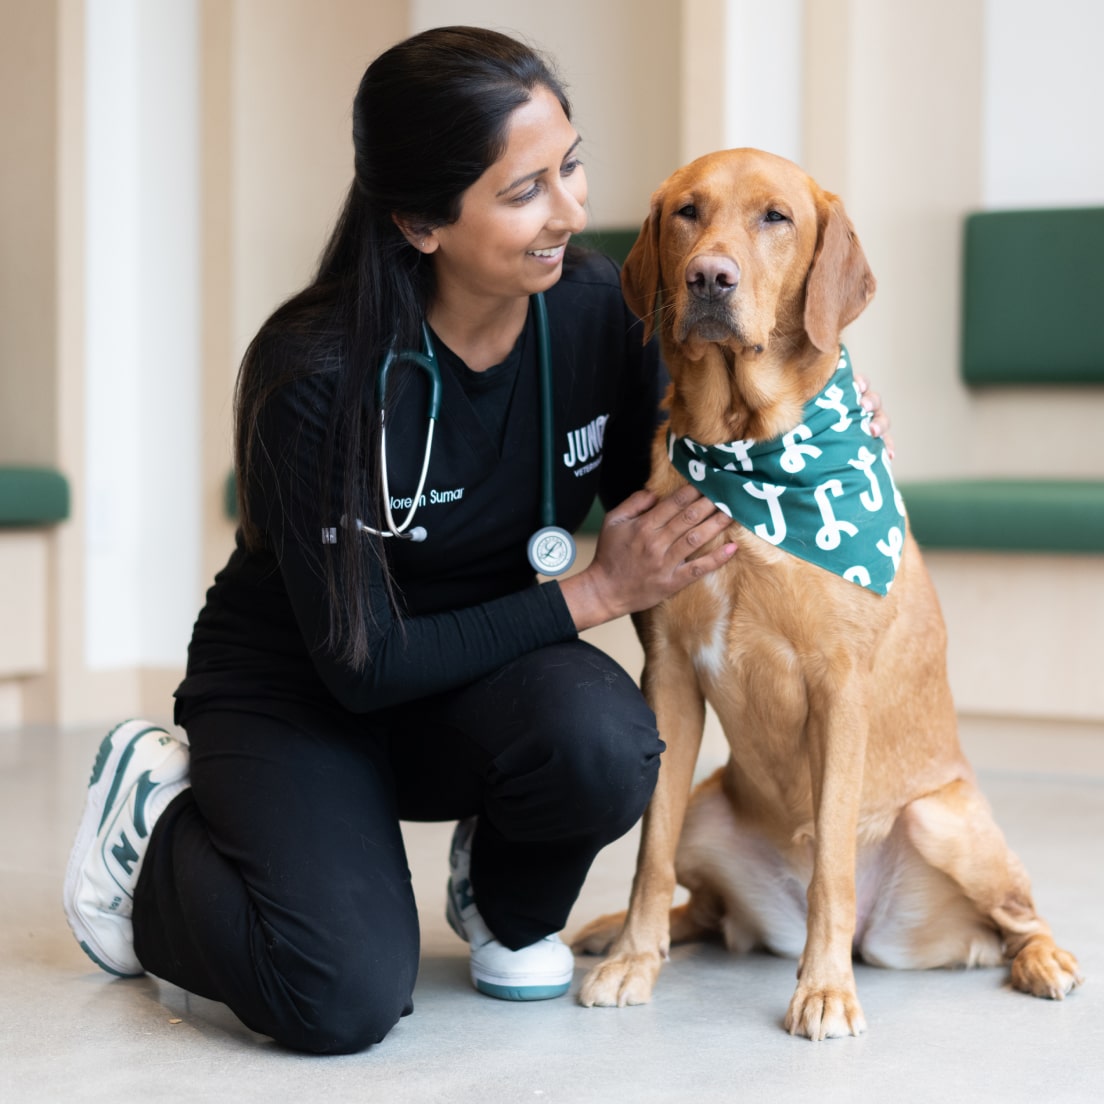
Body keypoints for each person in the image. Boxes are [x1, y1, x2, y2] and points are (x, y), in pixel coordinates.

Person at [63, 26, 891, 1056]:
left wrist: (827, 424)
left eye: (572, 168)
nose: (571, 212)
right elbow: (362, 664)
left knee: (607, 742)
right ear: (420, 219)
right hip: (309, 690)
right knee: (340, 998)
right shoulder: (314, 374)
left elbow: (710, 439)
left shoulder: (599, 312)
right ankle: (148, 834)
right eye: (524, 190)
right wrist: (592, 594)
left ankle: (500, 891)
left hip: (482, 670)